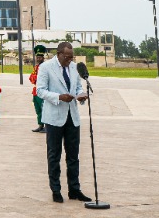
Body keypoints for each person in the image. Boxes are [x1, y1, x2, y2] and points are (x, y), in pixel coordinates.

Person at [36, 41, 93, 203]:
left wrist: (81, 95)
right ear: (59, 54)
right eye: (67, 57)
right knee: (54, 155)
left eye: (71, 57)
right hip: (54, 117)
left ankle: (74, 190)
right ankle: (56, 190)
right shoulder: (46, 67)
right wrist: (59, 97)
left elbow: (76, 88)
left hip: (72, 117)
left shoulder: (74, 67)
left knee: (73, 156)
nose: (69, 60)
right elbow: (40, 90)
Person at [30, 44, 47, 133]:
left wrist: (36, 78)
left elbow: (42, 78)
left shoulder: (46, 67)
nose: (38, 59)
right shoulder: (36, 67)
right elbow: (31, 78)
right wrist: (35, 78)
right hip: (36, 91)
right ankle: (40, 125)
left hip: (43, 91)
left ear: (43, 57)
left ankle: (47, 126)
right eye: (37, 57)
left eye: (40, 57)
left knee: (44, 109)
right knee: (38, 109)